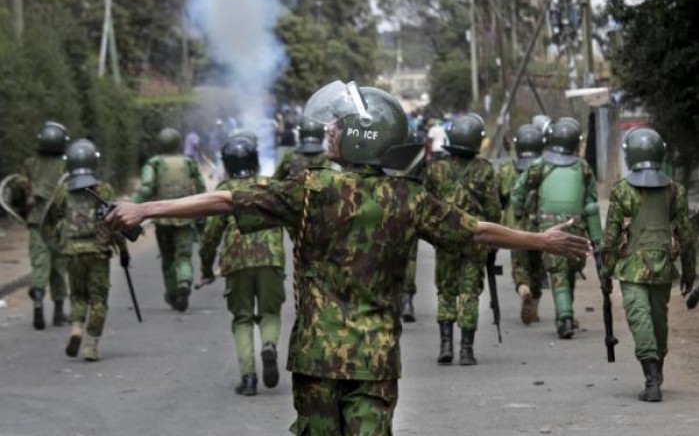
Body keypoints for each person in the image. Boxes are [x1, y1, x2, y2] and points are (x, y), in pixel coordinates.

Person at [105, 81, 590, 435]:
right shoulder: (409, 198)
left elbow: (227, 200)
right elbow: (478, 232)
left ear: (360, 136)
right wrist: (541, 241)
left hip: (317, 357)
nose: (331, 132)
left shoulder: (311, 189)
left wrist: (145, 208)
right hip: (374, 359)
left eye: (339, 127)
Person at [601, 127, 695, 402]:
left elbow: (610, 237)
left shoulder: (621, 190)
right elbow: (686, 235)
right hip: (663, 267)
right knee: (657, 319)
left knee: (640, 317)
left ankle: (652, 377)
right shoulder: (675, 190)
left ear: (630, 156)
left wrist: (606, 269)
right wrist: (690, 271)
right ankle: (655, 374)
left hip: (631, 268)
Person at [198, 132, 286, 396]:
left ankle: (248, 378)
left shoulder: (223, 191)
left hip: (236, 262)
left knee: (242, 319)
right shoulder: (270, 186)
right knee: (270, 314)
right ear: (255, 160)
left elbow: (211, 236)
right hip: (271, 258)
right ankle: (269, 344)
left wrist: (205, 269)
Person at [511, 117, 601, 339]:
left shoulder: (540, 165)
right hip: (577, 226)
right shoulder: (583, 168)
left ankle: (565, 318)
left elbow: (518, 192)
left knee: (558, 273)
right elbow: (591, 205)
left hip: (549, 227)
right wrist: (596, 238)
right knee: (569, 271)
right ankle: (566, 314)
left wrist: (521, 214)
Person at [424, 113, 501, 366]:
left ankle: (445, 345)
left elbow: (428, 205)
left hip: (445, 239)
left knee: (445, 291)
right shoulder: (485, 170)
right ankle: (466, 350)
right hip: (476, 240)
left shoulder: (436, 169)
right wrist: (495, 241)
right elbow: (493, 209)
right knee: (469, 292)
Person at [45, 139, 129, 361]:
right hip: (98, 252)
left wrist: (57, 243)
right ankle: (91, 344)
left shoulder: (63, 190)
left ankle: (75, 328)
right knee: (98, 298)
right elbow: (115, 222)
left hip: (72, 252)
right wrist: (124, 250)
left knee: (78, 296)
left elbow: (51, 219)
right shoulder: (103, 189)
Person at [130, 128, 205, 312]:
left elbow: (147, 189)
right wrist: (202, 213)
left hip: (162, 219)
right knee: (184, 256)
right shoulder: (188, 162)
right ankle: (185, 282)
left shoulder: (154, 163)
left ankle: (172, 292)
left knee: (168, 258)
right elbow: (201, 188)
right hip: (186, 216)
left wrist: (132, 206)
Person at [15, 121, 70, 329]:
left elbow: (18, 188)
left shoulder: (30, 164)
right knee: (59, 265)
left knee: (40, 262)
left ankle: (38, 302)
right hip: (58, 222)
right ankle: (58, 312)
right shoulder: (65, 164)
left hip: (37, 221)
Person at [496, 124, 546, 324]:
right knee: (538, 268)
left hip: (514, 228)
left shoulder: (507, 169)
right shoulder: (545, 168)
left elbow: (498, 198)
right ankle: (534, 307)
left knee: (519, 266)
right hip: (540, 226)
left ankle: (523, 290)